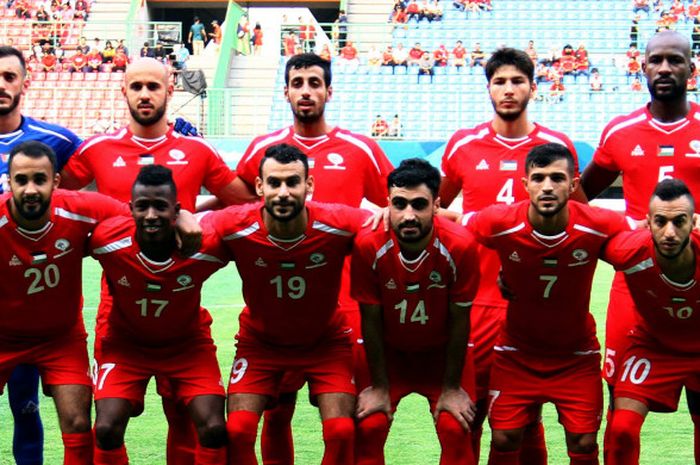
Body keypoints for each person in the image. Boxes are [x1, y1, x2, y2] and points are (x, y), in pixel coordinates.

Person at [60, 57, 254, 465]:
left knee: (184, 414)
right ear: (124, 92)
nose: (145, 94)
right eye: (136, 87)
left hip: (180, 298)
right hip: (118, 304)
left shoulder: (196, 150)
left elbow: (243, 200)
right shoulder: (96, 150)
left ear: (170, 90)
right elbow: (59, 200)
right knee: (110, 422)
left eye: (153, 86)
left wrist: (193, 213)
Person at [231, 52, 393, 465]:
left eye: (314, 83)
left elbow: (395, 207)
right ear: (285, 91)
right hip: (278, 307)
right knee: (276, 411)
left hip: (344, 308)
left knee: (346, 421)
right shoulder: (263, 150)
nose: (306, 91)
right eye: (298, 83)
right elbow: (235, 209)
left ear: (329, 91)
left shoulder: (360, 149)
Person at [440, 47, 580, 464]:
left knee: (527, 417)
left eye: (517, 80)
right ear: (488, 89)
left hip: (535, 307)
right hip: (477, 301)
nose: (508, 89)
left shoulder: (556, 147)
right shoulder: (463, 145)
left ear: (533, 88)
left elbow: (582, 217)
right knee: (471, 412)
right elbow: (437, 211)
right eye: (499, 81)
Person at [465, 143, 628, 465]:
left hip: (576, 354)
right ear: (525, 185)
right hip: (516, 352)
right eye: (538, 178)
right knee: (504, 436)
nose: (548, 186)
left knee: (582, 442)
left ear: (573, 184)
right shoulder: (500, 221)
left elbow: (643, 240)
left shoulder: (600, 225)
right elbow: (455, 233)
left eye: (557, 177)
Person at [580, 30, 700, 462]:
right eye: (657, 60)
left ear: (691, 67)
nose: (665, 68)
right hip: (635, 288)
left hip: (696, 284)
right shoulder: (620, 131)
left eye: (675, 60)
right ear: (643, 67)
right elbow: (581, 197)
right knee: (623, 426)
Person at [206, 144, 367, 465]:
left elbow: (388, 223)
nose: (283, 192)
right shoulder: (234, 225)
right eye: (274, 183)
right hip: (260, 343)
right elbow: (189, 227)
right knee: (237, 431)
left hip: (326, 343)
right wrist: (183, 215)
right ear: (259, 186)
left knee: (341, 432)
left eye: (293, 182)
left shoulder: (339, 222)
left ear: (309, 186)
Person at [90, 165, 228, 465]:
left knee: (215, 427)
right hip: (126, 347)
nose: (151, 215)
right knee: (106, 428)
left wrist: (197, 217)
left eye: (161, 207)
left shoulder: (206, 247)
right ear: (131, 209)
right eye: (142, 206)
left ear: (176, 210)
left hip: (187, 346)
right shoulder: (105, 242)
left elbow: (239, 219)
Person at [0, 141, 128, 465]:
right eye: (21, 180)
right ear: (9, 182)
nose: (30, 189)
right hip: (3, 336)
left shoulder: (79, 207)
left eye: (40, 180)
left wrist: (181, 218)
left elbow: (131, 216)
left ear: (55, 181)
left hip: (61, 338)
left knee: (78, 423)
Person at [352, 158, 480, 465]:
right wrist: (380, 387)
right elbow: (369, 318)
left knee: (455, 426)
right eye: (400, 204)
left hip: (441, 355)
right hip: (388, 353)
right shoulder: (368, 244)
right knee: (370, 426)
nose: (409, 215)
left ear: (436, 205)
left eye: (419, 204)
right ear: (388, 204)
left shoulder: (460, 246)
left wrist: (451, 388)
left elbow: (460, 319)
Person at [0, 45, 83, 465]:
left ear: (24, 84)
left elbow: (97, 189)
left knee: (27, 407)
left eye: (9, 77)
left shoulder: (59, 142)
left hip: (38, 304)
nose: (1, 85)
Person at [602, 179, 700, 465]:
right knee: (621, 430)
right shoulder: (627, 251)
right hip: (652, 346)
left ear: (693, 222)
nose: (669, 232)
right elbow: (576, 238)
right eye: (661, 221)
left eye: (679, 221)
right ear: (647, 223)